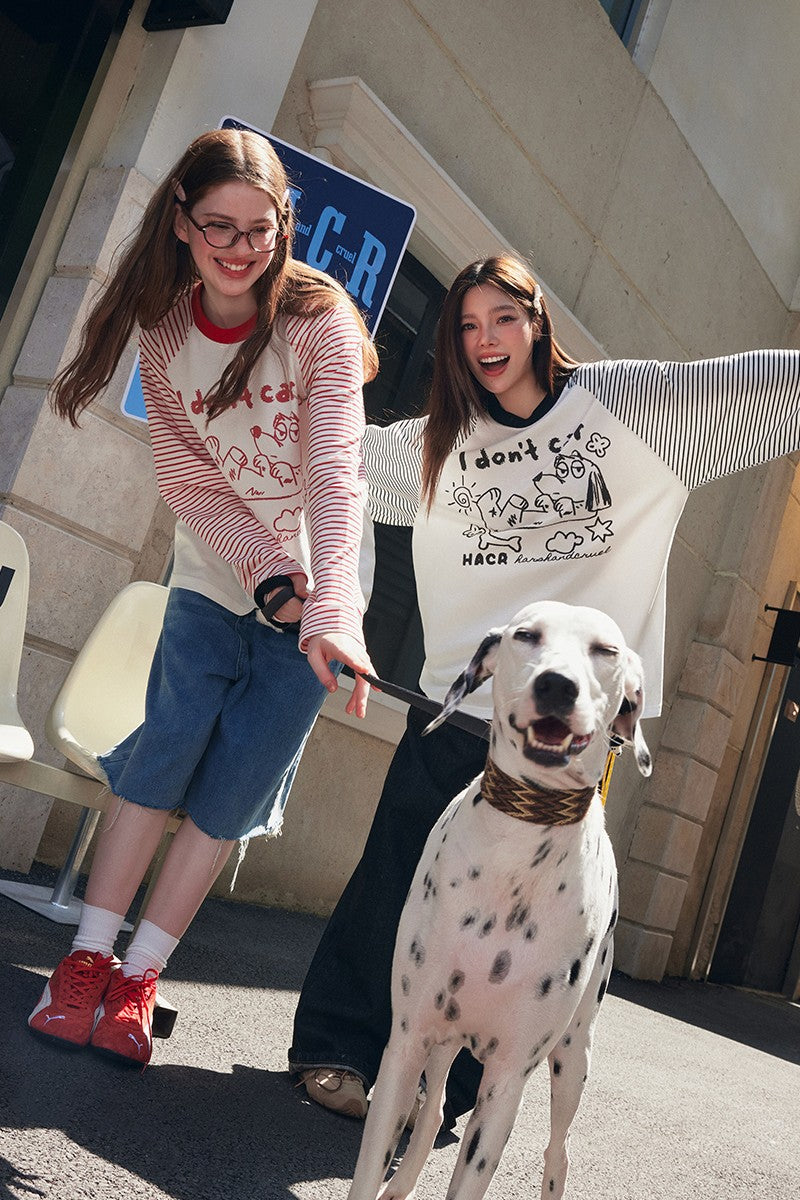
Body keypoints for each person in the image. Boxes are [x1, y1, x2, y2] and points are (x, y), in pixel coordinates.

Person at [289, 252, 800, 1122]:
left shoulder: (631, 415)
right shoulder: (439, 445)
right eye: (466, 325)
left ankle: (447, 1092)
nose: (486, 339)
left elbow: (766, 386)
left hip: (561, 744)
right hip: (458, 708)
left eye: (503, 317)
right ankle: (335, 1047)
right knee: (398, 880)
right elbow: (337, 457)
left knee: (522, 931)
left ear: (538, 321)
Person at [28, 127, 377, 1066]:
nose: (239, 248)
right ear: (181, 221)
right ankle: (86, 960)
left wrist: (329, 608)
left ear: (283, 229)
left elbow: (336, 476)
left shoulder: (320, 324)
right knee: (164, 754)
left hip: (326, 585)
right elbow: (188, 476)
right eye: (218, 225)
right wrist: (267, 576)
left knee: (234, 786)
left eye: (261, 230)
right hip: (220, 570)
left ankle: (141, 976)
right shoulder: (165, 326)